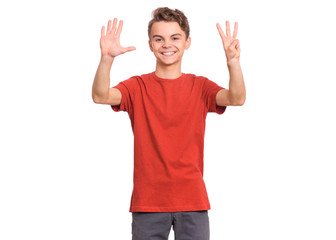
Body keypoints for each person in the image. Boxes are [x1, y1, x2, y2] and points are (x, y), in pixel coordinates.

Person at [92, 7, 245, 240]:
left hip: (192, 201)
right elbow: (101, 95)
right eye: (159, 39)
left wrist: (233, 62)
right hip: (148, 203)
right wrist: (106, 59)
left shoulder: (200, 86)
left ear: (187, 42)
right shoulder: (137, 86)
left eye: (175, 38)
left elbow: (237, 98)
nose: (167, 45)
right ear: (150, 44)